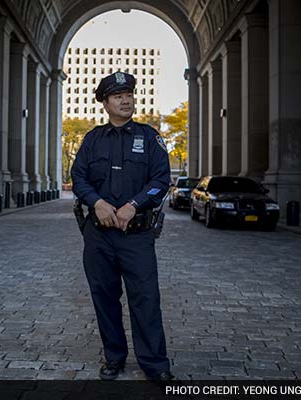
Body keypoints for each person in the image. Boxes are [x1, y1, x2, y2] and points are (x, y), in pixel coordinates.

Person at [70, 71, 174, 381]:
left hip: (136, 235)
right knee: (104, 298)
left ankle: (155, 365)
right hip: (99, 235)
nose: (125, 99)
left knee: (145, 299)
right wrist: (97, 203)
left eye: (128, 94)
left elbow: (161, 179)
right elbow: (79, 178)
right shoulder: (92, 139)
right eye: (117, 96)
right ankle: (114, 358)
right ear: (105, 102)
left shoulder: (150, 136)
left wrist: (134, 205)